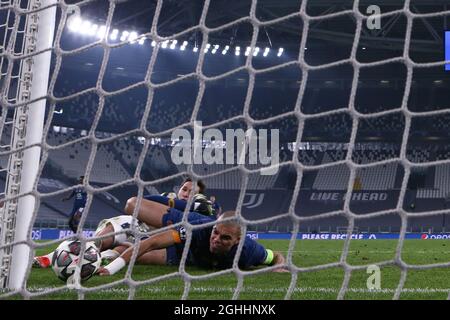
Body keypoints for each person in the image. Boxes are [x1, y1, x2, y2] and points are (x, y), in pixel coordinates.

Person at [98, 211, 287, 275]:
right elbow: (154, 243)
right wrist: (112, 269)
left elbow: (276, 256)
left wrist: (279, 267)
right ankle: (117, 241)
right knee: (141, 251)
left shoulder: (250, 250)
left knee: (140, 256)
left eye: (225, 238)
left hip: (189, 260)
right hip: (182, 250)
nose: (216, 239)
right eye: (216, 233)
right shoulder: (200, 229)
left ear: (238, 241)